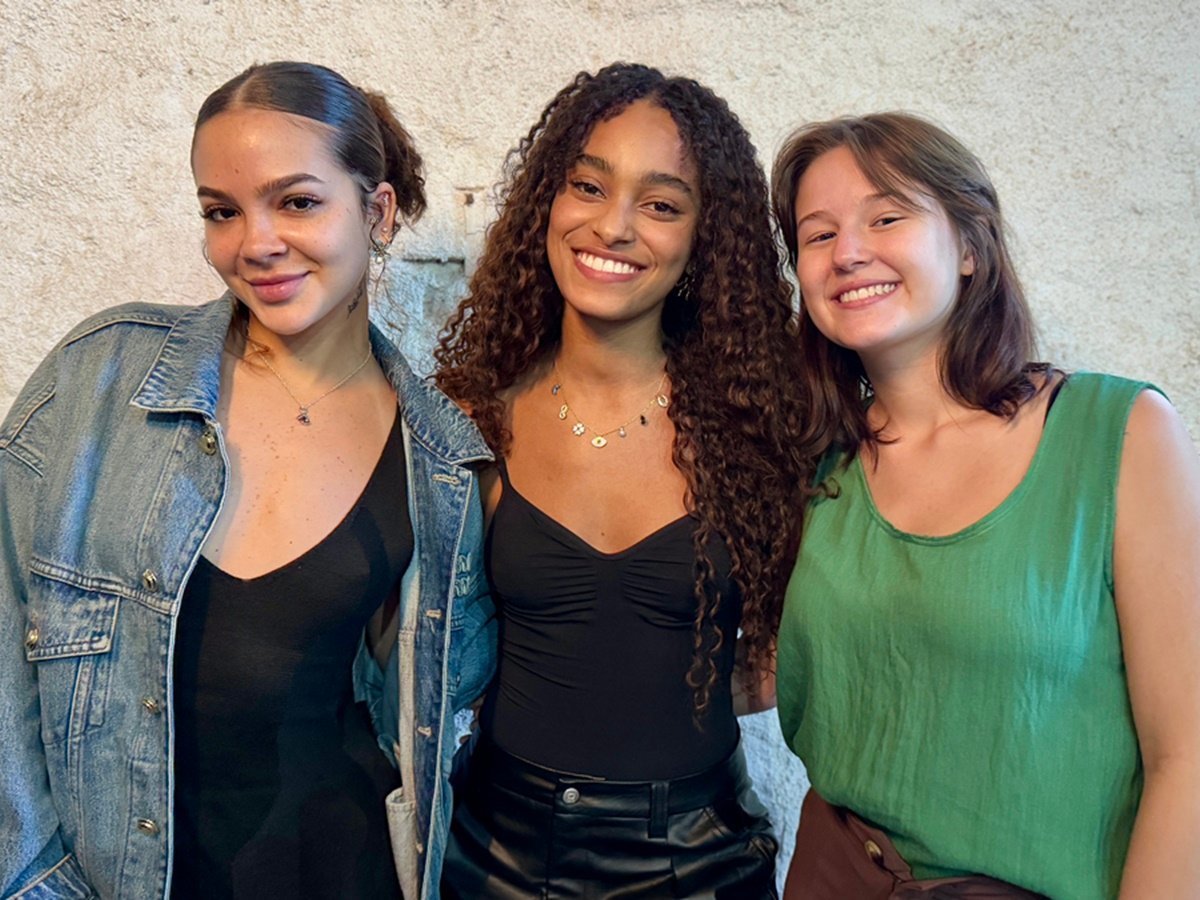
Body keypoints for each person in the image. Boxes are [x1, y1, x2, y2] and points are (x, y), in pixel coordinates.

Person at [0, 61, 495, 899]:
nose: (255, 243)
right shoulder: (99, 380)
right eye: (221, 211)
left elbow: (430, 713)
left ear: (376, 213)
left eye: (296, 202)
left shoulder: (440, 461)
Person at [770, 112, 1200, 899]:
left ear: (970, 246)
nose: (848, 252)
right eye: (818, 234)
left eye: (886, 218)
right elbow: (783, 669)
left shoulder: (1120, 433)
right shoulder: (817, 461)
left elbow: (1189, 756)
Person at [433, 62, 808, 899]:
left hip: (700, 860)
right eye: (588, 186)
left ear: (705, 239)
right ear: (547, 202)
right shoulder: (469, 419)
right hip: (491, 855)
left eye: (662, 205)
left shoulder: (762, 428)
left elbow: (791, 647)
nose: (614, 226)